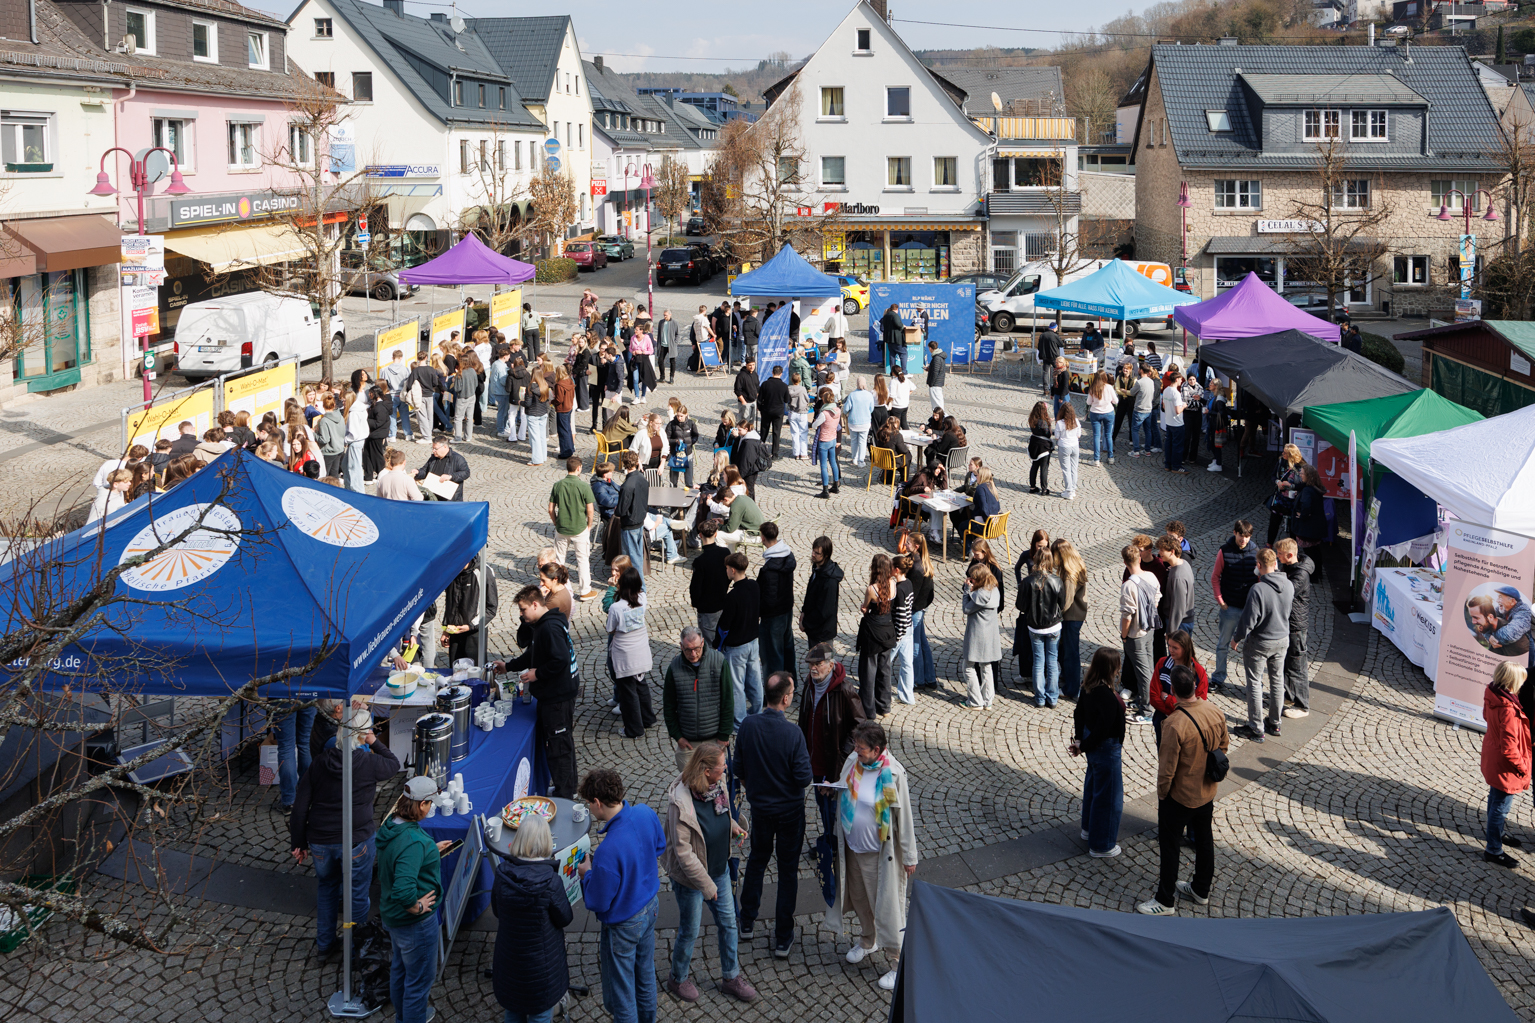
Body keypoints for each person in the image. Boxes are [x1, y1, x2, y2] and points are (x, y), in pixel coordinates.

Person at [289, 708, 401, 959]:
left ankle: (325, 945)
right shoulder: (369, 763)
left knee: (327, 889)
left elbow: (300, 806)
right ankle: (356, 948)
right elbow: (394, 764)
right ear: (363, 734)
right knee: (357, 893)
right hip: (356, 840)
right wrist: (374, 741)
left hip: (320, 841)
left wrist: (299, 842)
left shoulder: (320, 762)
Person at [660, 743, 756, 1005]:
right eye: (721, 767)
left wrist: (733, 826)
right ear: (705, 771)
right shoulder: (680, 804)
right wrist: (707, 886)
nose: (725, 770)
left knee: (729, 924)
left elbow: (722, 813)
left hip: (719, 869)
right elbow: (684, 854)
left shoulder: (717, 784)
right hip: (691, 880)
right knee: (690, 930)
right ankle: (677, 978)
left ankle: (731, 977)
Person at [829, 720, 917, 992]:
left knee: (887, 909)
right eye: (856, 745)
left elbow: (904, 817)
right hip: (852, 848)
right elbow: (845, 788)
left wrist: (910, 856)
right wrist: (830, 788)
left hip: (878, 855)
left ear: (877, 750)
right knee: (859, 899)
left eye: (861, 747)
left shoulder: (894, 774)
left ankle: (897, 962)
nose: (855, 750)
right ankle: (868, 940)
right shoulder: (853, 762)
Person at [577, 769, 667, 1023]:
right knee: (645, 975)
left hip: (625, 922)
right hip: (650, 906)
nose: (589, 808)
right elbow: (659, 846)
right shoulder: (645, 812)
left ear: (597, 802)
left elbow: (598, 901)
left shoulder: (607, 850)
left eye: (589, 803)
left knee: (623, 991)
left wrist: (587, 875)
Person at [1137, 665, 1228, 915]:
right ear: (1195, 686)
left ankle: (1165, 900)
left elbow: (1167, 769)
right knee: (1205, 840)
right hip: (1206, 792)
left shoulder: (1174, 723)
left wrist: (1162, 794)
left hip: (1180, 796)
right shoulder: (1215, 711)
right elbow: (1223, 747)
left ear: (1173, 691)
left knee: (1170, 846)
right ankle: (1201, 889)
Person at [736, 672, 813, 957]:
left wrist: (756, 788)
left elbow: (739, 770)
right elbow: (804, 778)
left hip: (761, 811)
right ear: (786, 698)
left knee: (757, 862)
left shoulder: (748, 726)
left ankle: (746, 921)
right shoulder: (793, 734)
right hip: (790, 812)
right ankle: (783, 937)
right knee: (787, 870)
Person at [377, 776, 453, 1023]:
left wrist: (430, 850)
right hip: (414, 925)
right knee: (418, 982)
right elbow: (403, 891)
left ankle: (403, 1017)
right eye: (430, 804)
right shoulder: (412, 843)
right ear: (421, 804)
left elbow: (403, 857)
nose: (431, 809)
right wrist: (417, 906)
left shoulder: (393, 823)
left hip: (394, 919)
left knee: (400, 970)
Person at [492, 814, 573, 1023]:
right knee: (540, 1014)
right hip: (542, 968)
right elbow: (565, 918)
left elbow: (497, 911)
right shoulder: (551, 882)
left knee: (513, 1011)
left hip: (509, 962)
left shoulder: (502, 876)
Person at [500, 586, 579, 797]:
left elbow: (560, 659)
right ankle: (568, 787)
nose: (521, 615)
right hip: (556, 694)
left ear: (535, 604)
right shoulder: (544, 625)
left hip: (558, 697)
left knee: (559, 747)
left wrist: (538, 674)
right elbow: (533, 654)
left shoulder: (549, 628)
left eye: (523, 609)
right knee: (563, 742)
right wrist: (508, 666)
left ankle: (565, 795)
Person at [1231, 547, 1295, 743]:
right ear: (1275, 563)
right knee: (1277, 680)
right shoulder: (1289, 584)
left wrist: (1236, 638)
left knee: (1254, 682)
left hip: (1261, 641)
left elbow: (1248, 620)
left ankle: (1256, 728)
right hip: (1282, 639)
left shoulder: (1258, 589)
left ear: (1258, 565)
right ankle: (1275, 723)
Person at [1071, 649, 1126, 857]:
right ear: (1111, 668)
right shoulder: (1105, 695)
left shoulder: (1088, 685)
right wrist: (1083, 745)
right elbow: (1104, 729)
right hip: (1106, 748)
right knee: (1109, 797)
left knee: (1093, 787)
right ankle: (1102, 845)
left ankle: (1088, 829)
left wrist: (1080, 741)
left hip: (1093, 746)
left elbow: (1079, 713)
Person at [662, 626, 735, 771]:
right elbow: (669, 706)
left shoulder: (719, 662)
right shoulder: (674, 668)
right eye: (688, 650)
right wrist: (678, 736)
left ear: (702, 643)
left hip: (714, 740)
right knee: (688, 783)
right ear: (681, 646)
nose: (693, 654)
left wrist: (723, 735)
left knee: (717, 783)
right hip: (688, 743)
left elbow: (728, 701)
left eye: (696, 648)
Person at [1482, 662, 1532, 868]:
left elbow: (1486, 716)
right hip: (1505, 767)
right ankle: (1493, 850)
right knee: (1500, 808)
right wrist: (1523, 768)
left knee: (1494, 799)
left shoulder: (1492, 692)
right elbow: (1509, 748)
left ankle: (1498, 833)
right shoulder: (1508, 710)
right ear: (1513, 681)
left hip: (1492, 755)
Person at [607, 566, 656, 739]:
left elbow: (610, 629)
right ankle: (648, 718)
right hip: (641, 650)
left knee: (628, 692)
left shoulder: (616, 607)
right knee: (641, 685)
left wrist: (611, 589)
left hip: (624, 655)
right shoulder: (642, 598)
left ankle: (634, 729)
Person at [1208, 520, 1258, 690]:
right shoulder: (1224, 551)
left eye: (1247, 536)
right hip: (1230, 607)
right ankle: (1218, 678)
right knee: (1223, 644)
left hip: (1250, 609)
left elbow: (1260, 579)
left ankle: (1253, 684)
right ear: (1235, 533)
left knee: (1253, 648)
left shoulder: (1255, 552)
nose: (1244, 539)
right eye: (1241, 535)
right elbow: (1215, 577)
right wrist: (1220, 600)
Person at [719, 552, 763, 726]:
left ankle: (739, 723)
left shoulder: (732, 596)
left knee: (736, 686)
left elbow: (724, 625)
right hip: (753, 642)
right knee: (755, 680)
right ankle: (757, 713)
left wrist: (717, 643)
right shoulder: (754, 586)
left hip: (736, 647)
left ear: (732, 570)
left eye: (726, 569)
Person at [1120, 544, 1160, 725]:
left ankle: (1147, 711)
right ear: (1139, 558)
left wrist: (1124, 635)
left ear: (1124, 562)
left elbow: (1127, 616)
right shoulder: (1151, 576)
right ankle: (1146, 701)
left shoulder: (1128, 586)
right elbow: (1157, 600)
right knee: (1149, 669)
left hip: (1135, 634)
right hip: (1149, 629)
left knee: (1143, 673)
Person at [549, 456, 599, 601]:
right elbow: (590, 510)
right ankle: (585, 591)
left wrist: (556, 523)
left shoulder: (557, 485)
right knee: (582, 560)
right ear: (579, 468)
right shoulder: (584, 486)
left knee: (559, 560)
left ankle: (558, 588)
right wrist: (589, 525)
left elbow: (550, 509)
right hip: (579, 528)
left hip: (562, 528)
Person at [1150, 629, 1209, 751]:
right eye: (1169, 646)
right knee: (1164, 755)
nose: (1170, 650)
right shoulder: (1162, 663)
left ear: (1185, 649)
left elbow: (1199, 703)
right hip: (1163, 721)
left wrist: (1167, 698)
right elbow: (1154, 697)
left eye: (1175, 648)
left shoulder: (1198, 672)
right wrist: (1180, 708)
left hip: (1187, 724)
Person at [1276, 538, 1315, 718]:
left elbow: (1285, 593)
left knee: (1297, 667)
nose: (1277, 556)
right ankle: (1289, 695)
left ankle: (1302, 705)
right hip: (1289, 624)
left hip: (1296, 626)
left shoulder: (1300, 575)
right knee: (1287, 663)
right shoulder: (1290, 566)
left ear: (1290, 555)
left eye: (1280, 554)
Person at [857, 554, 898, 719]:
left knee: (868, 670)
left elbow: (865, 608)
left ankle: (869, 709)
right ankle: (884, 706)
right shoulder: (893, 583)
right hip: (888, 630)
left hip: (872, 632)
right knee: (884, 669)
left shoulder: (872, 589)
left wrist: (864, 608)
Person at [1022, 546, 1065, 708]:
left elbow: (1020, 605)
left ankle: (1040, 698)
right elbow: (1062, 603)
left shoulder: (1028, 581)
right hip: (1053, 626)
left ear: (1036, 560)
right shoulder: (1057, 580)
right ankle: (1052, 698)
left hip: (1035, 627)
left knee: (1038, 662)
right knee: (1052, 662)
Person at [757, 522, 797, 678]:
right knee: (787, 649)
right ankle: (791, 682)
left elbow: (768, 599)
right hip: (786, 610)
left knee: (772, 655)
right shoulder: (788, 555)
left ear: (763, 538)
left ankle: (776, 688)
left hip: (772, 617)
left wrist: (758, 611)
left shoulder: (769, 570)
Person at [961, 561, 1002, 710]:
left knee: (967, 666)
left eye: (972, 578)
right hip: (990, 635)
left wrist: (967, 591)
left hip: (977, 635)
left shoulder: (979, 596)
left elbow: (966, 609)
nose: (970, 580)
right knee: (986, 666)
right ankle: (987, 700)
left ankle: (975, 701)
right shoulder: (994, 590)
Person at [442, 558, 497, 665]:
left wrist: (470, 626)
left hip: (475, 633)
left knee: (475, 671)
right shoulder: (452, 570)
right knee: (456, 670)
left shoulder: (484, 572)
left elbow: (491, 608)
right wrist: (446, 630)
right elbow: (450, 603)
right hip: (455, 632)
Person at [689, 521, 730, 645]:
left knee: (710, 644)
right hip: (723, 602)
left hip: (707, 608)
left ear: (700, 535)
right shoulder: (725, 553)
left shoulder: (700, 561)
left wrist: (697, 603)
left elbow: (695, 587)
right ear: (716, 534)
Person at [615, 451, 649, 585]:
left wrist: (616, 510)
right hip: (640, 521)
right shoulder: (642, 478)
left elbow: (621, 510)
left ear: (624, 464)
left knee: (632, 561)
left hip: (629, 526)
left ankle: (640, 588)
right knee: (637, 557)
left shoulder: (627, 485)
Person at [1157, 534, 1195, 641]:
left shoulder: (1178, 577)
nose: (1159, 553)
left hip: (1179, 624)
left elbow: (1178, 608)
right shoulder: (1184, 564)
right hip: (1184, 622)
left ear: (1172, 552)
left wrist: (1171, 632)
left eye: (1162, 550)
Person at [889, 555, 917, 706]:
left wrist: (897, 637)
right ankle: (907, 696)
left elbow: (900, 614)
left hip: (899, 631)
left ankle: (882, 693)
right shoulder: (908, 583)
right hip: (908, 628)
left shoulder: (899, 590)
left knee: (885, 663)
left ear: (896, 570)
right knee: (907, 664)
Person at [1267, 444, 1305, 546]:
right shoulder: (1281, 462)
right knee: (1274, 521)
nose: (1282, 453)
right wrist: (1278, 482)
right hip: (1280, 497)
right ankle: (1269, 544)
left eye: (1285, 453)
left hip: (1294, 500)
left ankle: (1292, 547)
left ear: (1291, 455)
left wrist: (1291, 486)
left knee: (1293, 525)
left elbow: (1304, 484)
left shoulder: (1301, 467)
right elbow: (1273, 475)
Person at [416, 433, 470, 501]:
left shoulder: (457, 458)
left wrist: (451, 476)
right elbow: (425, 471)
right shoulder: (433, 458)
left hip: (450, 500)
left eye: (436, 449)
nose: (433, 451)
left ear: (445, 447)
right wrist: (418, 472)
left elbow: (466, 473)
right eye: (432, 448)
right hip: (433, 497)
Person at [843, 376, 875, 467]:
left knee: (854, 441)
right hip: (865, 422)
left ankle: (854, 458)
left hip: (853, 422)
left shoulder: (852, 395)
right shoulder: (869, 395)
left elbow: (846, 409)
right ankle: (861, 460)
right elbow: (871, 409)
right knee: (862, 442)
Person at [665, 405, 699, 488]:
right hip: (675, 453)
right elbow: (666, 439)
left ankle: (689, 491)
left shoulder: (691, 423)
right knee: (673, 479)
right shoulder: (671, 424)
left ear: (686, 414)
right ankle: (673, 491)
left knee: (689, 478)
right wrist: (675, 441)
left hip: (687, 453)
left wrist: (690, 443)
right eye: (678, 416)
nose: (679, 418)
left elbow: (695, 436)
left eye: (681, 416)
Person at [1161, 368, 1188, 472]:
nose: (1181, 381)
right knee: (1177, 446)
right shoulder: (1176, 393)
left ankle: (1167, 465)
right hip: (1177, 423)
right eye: (1180, 379)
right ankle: (1176, 466)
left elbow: (1164, 406)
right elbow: (1178, 411)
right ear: (1176, 379)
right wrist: (1184, 406)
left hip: (1168, 421)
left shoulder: (1166, 390)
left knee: (1169, 444)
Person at [1054, 404, 1082, 501]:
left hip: (1064, 446)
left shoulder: (1059, 423)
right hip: (1075, 446)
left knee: (1066, 469)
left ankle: (1068, 491)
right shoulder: (1076, 421)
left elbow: (1056, 437)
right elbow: (1078, 435)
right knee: (1074, 468)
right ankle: (1073, 489)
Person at [1027, 401, 1053, 495]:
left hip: (1034, 444)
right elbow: (1048, 434)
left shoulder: (1032, 419)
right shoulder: (1043, 422)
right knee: (1044, 467)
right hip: (1043, 447)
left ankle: (1032, 487)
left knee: (1034, 465)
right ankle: (1044, 489)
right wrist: (1049, 424)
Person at [733, 358, 760, 429]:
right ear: (746, 365)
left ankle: (750, 433)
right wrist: (743, 402)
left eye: (753, 365)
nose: (752, 367)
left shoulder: (755, 374)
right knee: (744, 422)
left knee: (751, 422)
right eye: (750, 365)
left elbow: (757, 388)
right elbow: (737, 390)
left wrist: (757, 401)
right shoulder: (741, 376)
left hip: (753, 401)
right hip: (745, 402)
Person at [879, 304, 906, 372]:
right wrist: (903, 326)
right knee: (903, 354)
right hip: (897, 339)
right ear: (897, 309)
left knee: (892, 355)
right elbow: (899, 325)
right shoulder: (895, 315)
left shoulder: (886, 316)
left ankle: (893, 372)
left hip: (888, 339)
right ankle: (904, 371)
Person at [925, 341, 946, 411]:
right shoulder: (938, 356)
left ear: (930, 348)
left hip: (935, 383)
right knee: (937, 401)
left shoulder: (937, 358)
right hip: (937, 382)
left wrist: (931, 383)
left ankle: (940, 415)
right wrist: (930, 369)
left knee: (937, 402)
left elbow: (935, 372)